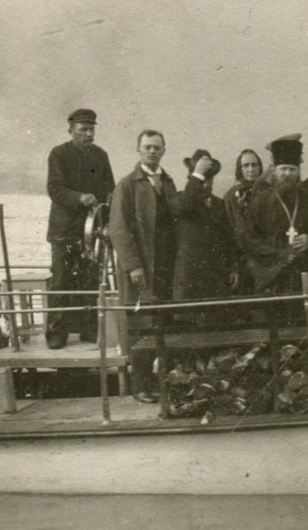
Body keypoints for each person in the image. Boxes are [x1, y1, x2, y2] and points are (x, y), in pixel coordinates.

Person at [109, 130, 203, 402]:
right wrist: (133, 266)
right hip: (141, 272)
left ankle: (168, 382)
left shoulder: (169, 182)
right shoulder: (127, 185)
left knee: (166, 322)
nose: (152, 152)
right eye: (147, 147)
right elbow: (118, 229)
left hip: (167, 268)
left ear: (164, 151)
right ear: (138, 150)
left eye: (157, 148)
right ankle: (140, 385)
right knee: (141, 324)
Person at [44, 108, 115, 349]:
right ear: (71, 131)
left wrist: (107, 218)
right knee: (61, 280)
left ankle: (88, 329)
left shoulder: (101, 156)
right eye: (83, 130)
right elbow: (54, 189)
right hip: (64, 231)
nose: (88, 134)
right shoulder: (59, 154)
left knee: (90, 279)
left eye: (91, 130)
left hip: (93, 232)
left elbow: (110, 191)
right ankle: (56, 332)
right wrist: (79, 198)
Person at [241, 135, 308, 294]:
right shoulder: (261, 202)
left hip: (305, 274)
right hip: (272, 277)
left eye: (292, 169)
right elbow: (248, 239)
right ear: (275, 171)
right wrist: (278, 254)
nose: (287, 173)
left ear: (298, 172)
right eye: (283, 169)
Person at [172, 149, 234, 303]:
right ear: (190, 178)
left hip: (216, 278)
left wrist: (233, 267)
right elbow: (186, 204)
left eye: (209, 178)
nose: (205, 183)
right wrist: (197, 176)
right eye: (202, 179)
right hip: (189, 280)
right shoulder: (179, 199)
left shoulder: (219, 204)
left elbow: (228, 238)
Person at [223, 149, 267, 293]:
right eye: (246, 166)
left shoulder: (270, 193)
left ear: (260, 167)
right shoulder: (231, 197)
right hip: (243, 261)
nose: (251, 169)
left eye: (254, 165)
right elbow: (229, 233)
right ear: (239, 169)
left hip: (266, 258)